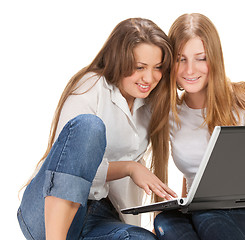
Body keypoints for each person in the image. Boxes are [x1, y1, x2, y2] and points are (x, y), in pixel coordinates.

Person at [17, 17, 177, 240]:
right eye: (139, 67)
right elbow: (70, 165)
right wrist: (129, 168)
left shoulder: (150, 104)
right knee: (89, 127)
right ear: (118, 60)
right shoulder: (91, 86)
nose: (149, 78)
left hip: (101, 215)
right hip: (46, 210)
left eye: (157, 68)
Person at [154, 13, 245, 240]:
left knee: (207, 213)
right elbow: (191, 176)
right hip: (204, 215)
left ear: (214, 59)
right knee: (165, 221)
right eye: (181, 59)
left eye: (200, 58)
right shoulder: (172, 115)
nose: (189, 70)